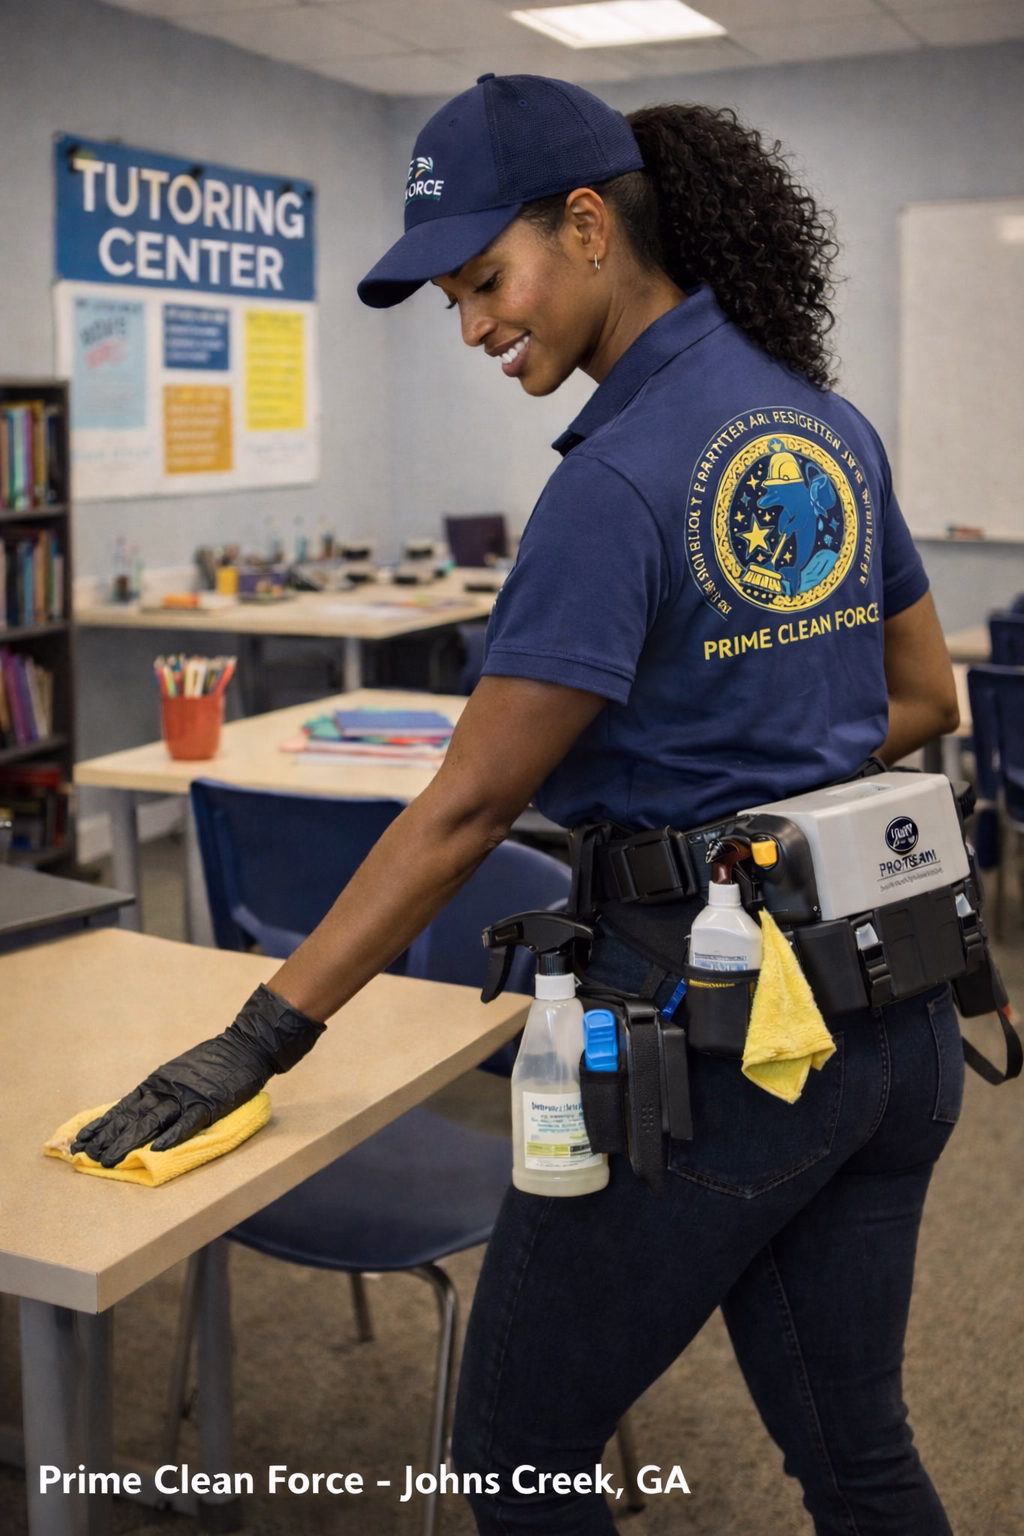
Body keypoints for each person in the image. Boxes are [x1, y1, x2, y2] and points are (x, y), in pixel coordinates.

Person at [75, 75, 963, 1534]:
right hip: (890, 1016)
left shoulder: (614, 479)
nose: (479, 325)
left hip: (718, 1049)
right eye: (454, 300)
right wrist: (743, 728)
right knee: (858, 1454)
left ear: (594, 225)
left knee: (513, 1456)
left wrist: (258, 1038)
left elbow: (466, 814)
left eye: (490, 280)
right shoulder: (823, 422)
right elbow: (923, 698)